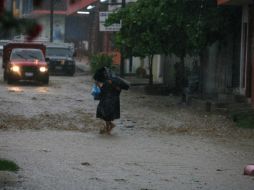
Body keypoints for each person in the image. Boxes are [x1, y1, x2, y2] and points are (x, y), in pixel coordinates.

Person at [93, 67, 121, 134]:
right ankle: (108, 128)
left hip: (110, 101)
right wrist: (98, 85)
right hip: (107, 100)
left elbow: (118, 90)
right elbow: (103, 91)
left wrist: (112, 84)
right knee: (104, 114)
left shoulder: (113, 81)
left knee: (105, 113)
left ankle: (109, 127)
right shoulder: (107, 81)